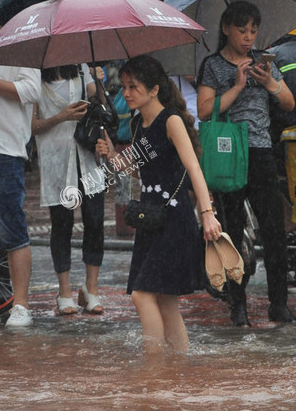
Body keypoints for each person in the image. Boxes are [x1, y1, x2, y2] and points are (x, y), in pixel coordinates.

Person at [95, 56, 223, 355]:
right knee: (165, 300)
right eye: (124, 86)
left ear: (154, 89)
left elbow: (194, 169)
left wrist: (207, 214)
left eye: (133, 87)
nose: (126, 93)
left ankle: (153, 369)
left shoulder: (172, 121)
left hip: (174, 219)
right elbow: (139, 169)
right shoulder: (139, 123)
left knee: (142, 295)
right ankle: (177, 365)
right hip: (150, 219)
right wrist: (112, 153)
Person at [196, 1, 296, 326]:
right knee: (232, 230)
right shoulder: (212, 65)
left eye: (253, 30)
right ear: (226, 29)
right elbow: (204, 111)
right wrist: (238, 86)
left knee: (274, 231)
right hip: (228, 154)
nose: (248, 36)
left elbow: (290, 102)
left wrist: (269, 82)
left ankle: (278, 303)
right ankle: (237, 305)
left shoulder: (264, 63)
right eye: (242, 30)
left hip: (262, 152)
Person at [32, 64, 108, 315]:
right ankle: (64, 292)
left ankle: (91, 289)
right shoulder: (37, 78)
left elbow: (100, 108)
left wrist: (99, 84)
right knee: (62, 222)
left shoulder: (82, 69)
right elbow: (32, 126)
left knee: (95, 219)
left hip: (87, 155)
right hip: (56, 158)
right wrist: (61, 117)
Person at [0, 62, 42, 328]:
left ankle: (20, 304)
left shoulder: (20, 52)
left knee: (12, 228)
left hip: (6, 150)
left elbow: (32, 90)